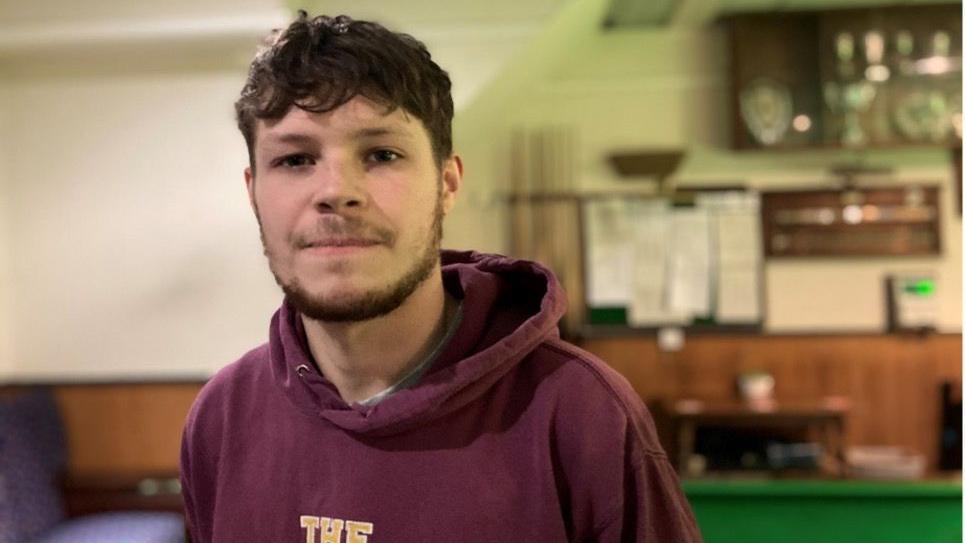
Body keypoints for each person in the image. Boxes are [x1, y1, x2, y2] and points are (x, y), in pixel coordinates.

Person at [179, 12, 702, 543]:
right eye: (295, 160)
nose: (336, 191)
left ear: (447, 183)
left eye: (382, 154)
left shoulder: (580, 413)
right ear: (253, 191)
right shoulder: (222, 419)